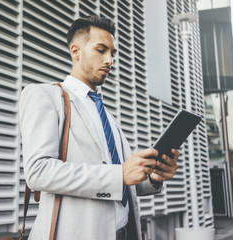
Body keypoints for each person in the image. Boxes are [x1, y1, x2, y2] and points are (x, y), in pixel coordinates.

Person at [19, 15, 179, 240]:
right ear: (76, 51)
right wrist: (119, 173)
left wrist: (153, 177)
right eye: (101, 50)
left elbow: (121, 184)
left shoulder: (108, 117)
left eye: (112, 53)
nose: (109, 60)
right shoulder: (45, 95)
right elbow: (38, 171)